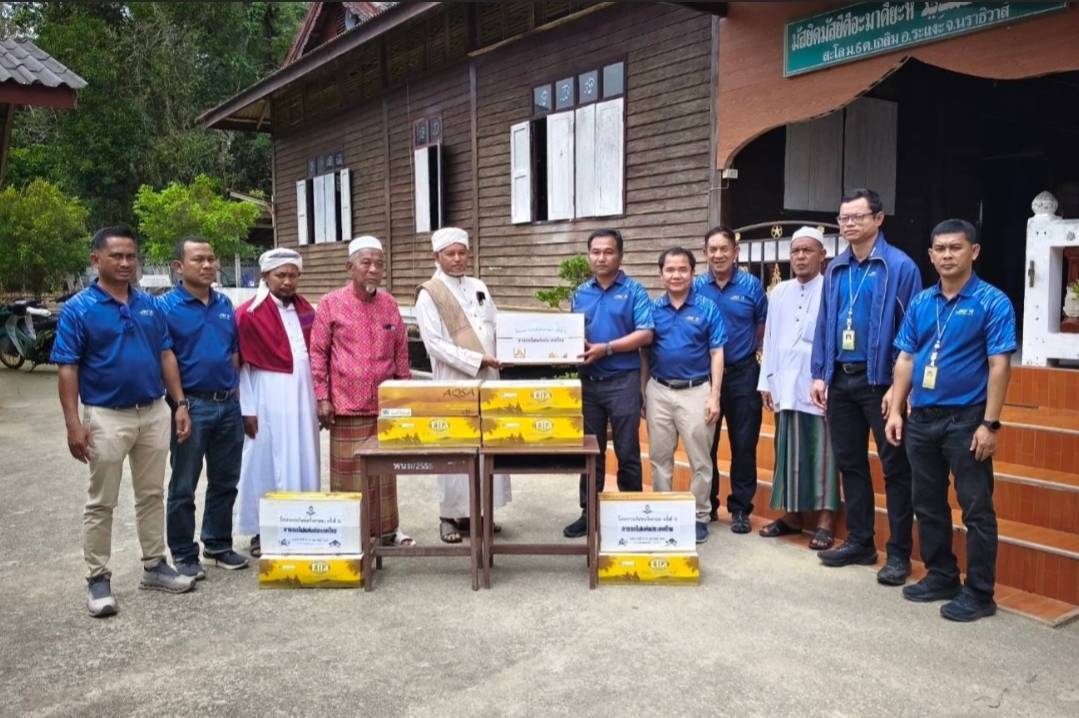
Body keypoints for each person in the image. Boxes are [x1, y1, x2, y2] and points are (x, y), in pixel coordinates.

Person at [51, 226, 197, 618]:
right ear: (96, 259)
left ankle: (155, 566)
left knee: (152, 494)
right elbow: (68, 368)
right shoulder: (78, 309)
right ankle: (98, 578)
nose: (125, 263)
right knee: (102, 501)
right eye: (116, 256)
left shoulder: (149, 305)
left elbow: (166, 355)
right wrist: (73, 424)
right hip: (106, 416)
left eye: (131, 256)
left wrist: (179, 403)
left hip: (152, 411)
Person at [886, 219, 1015, 622]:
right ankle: (942, 574)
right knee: (927, 503)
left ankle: (979, 592)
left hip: (967, 419)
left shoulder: (993, 302)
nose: (946, 255)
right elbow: (906, 358)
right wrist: (896, 409)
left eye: (955, 248)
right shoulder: (922, 303)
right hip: (922, 419)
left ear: (973, 252)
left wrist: (990, 425)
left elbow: (999, 365)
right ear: (930, 255)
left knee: (976, 507)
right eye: (939, 249)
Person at [810, 188, 921, 585]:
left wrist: (900, 387)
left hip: (882, 383)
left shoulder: (900, 266)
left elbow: (912, 329)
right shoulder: (836, 268)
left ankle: (899, 553)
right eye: (844, 218)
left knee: (895, 468)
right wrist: (820, 372)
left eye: (857, 217)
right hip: (842, 379)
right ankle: (860, 541)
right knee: (851, 463)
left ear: (878, 219)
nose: (849, 224)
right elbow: (825, 322)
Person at [312, 236, 414, 547]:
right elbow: (318, 353)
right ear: (350, 266)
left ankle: (387, 532)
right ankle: (349, 536)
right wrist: (323, 398)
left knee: (384, 476)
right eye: (366, 263)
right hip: (346, 406)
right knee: (349, 475)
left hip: (385, 406)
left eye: (379, 264)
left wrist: (405, 397)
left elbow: (401, 352)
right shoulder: (330, 303)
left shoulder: (389, 304)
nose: (373, 269)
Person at [158, 237, 248, 579]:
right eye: (198, 259)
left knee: (226, 480)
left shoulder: (224, 304)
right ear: (179, 266)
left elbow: (233, 351)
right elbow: (165, 357)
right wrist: (179, 403)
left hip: (227, 404)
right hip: (191, 405)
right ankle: (183, 554)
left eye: (211, 259)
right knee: (184, 484)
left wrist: (234, 391)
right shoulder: (166, 308)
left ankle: (218, 544)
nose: (208, 265)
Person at [414, 227, 511, 543]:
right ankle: (448, 516)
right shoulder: (430, 294)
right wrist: (477, 359)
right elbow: (434, 345)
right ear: (436, 256)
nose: (457, 259)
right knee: (454, 447)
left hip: (489, 378)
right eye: (450, 254)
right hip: (454, 380)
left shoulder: (478, 286)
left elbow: (495, 325)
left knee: (486, 446)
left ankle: (476, 513)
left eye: (462, 253)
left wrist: (509, 351)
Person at [564, 229, 654, 539]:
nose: (601, 257)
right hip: (589, 383)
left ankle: (631, 516)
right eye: (596, 252)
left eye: (608, 251)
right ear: (588, 255)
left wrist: (607, 348)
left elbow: (646, 333)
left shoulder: (634, 291)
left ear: (620, 255)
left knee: (627, 450)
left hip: (623, 382)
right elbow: (571, 333)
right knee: (590, 451)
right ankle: (589, 512)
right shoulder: (580, 293)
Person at [756, 227, 840, 550]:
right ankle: (792, 516)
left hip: (818, 385)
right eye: (796, 251)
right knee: (787, 451)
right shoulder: (779, 292)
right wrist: (766, 382)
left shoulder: (831, 289)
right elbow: (770, 338)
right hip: (785, 383)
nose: (801, 256)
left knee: (823, 453)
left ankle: (826, 520)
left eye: (808, 250)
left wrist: (829, 380)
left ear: (823, 255)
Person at [234, 248, 320, 557]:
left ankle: (304, 523)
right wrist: (247, 409)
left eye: (293, 275)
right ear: (265, 276)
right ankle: (263, 530)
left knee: (304, 456)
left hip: (303, 397)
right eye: (280, 275)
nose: (287, 281)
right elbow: (241, 367)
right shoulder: (248, 314)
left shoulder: (308, 311)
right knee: (264, 461)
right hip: (266, 397)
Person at [642, 247, 726, 544]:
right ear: (661, 274)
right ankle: (663, 513)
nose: (676, 275)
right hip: (659, 390)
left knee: (700, 460)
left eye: (682, 269)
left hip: (696, 391)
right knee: (659, 457)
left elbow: (717, 352)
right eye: (670, 269)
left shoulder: (707, 307)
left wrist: (714, 396)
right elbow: (644, 353)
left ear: (693, 273)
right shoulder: (652, 309)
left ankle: (700, 515)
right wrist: (644, 391)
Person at [693, 226, 767, 534]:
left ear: (735, 252)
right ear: (705, 253)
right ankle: (707, 505)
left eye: (724, 248)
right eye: (713, 249)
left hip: (743, 374)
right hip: (704, 376)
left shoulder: (752, 286)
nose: (718, 254)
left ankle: (740, 508)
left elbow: (761, 328)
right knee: (705, 443)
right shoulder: (696, 287)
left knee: (744, 443)